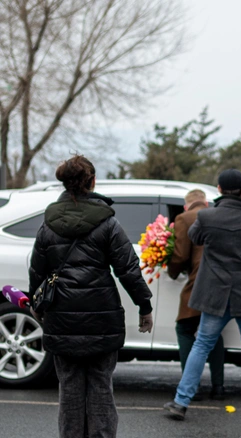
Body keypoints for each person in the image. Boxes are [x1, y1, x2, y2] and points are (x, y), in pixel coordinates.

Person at [28, 154, 153, 438]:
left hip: (61, 317)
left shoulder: (48, 223)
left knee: (69, 390)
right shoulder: (108, 223)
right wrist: (144, 306)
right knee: (100, 388)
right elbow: (128, 269)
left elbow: (37, 272)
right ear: (92, 181)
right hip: (102, 318)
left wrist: (38, 306)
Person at [164, 169, 241, 421]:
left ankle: (181, 402)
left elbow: (194, 236)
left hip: (215, 293)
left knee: (201, 345)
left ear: (219, 190)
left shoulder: (207, 216)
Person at [167, 189, 225, 401]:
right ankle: (219, 386)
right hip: (220, 283)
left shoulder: (184, 218)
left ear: (186, 206)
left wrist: (172, 271)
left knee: (184, 329)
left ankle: (191, 386)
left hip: (197, 282)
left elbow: (181, 254)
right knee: (214, 333)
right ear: (206, 204)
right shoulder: (217, 215)